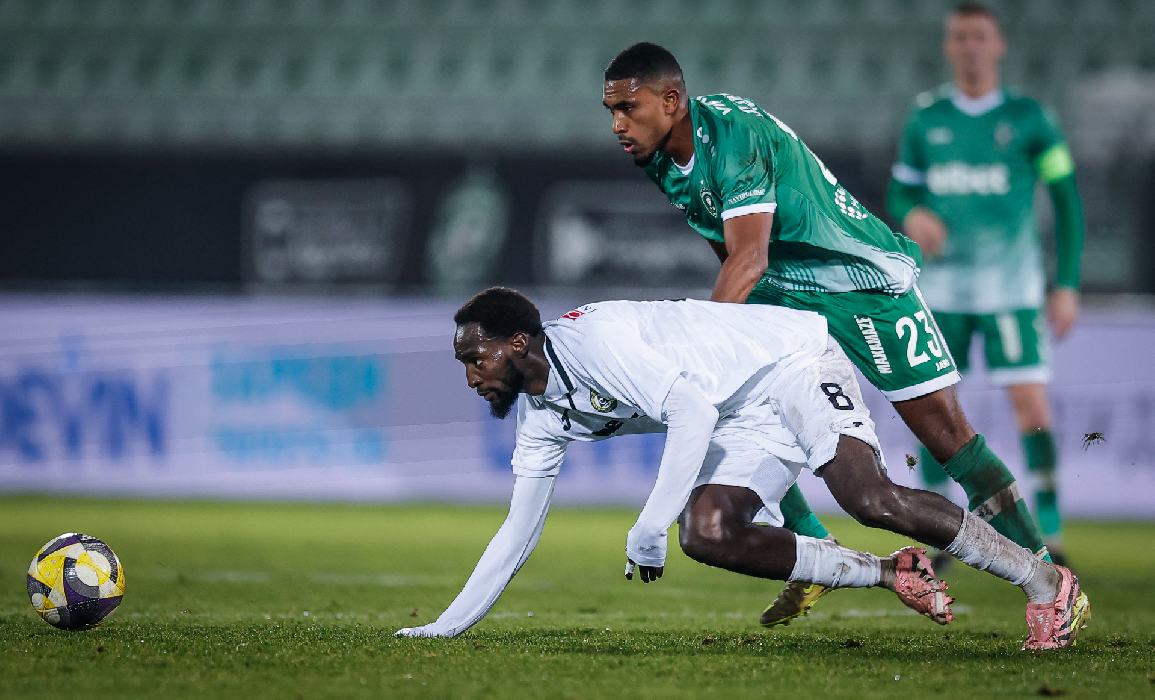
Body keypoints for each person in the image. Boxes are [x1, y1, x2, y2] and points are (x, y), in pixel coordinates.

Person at [601, 41, 1055, 627]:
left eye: (628, 108)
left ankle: (1048, 576)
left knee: (949, 441)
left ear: (671, 100)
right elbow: (726, 246)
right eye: (611, 111)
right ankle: (816, 550)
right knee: (740, 406)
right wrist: (735, 336)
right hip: (781, 292)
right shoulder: (660, 157)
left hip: (860, 283)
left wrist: (709, 344)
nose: (617, 125)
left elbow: (749, 256)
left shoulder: (735, 137)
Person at [394, 287, 1089, 651]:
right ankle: (888, 572)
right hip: (737, 411)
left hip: (789, 364)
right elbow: (516, 530)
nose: (471, 376)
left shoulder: (593, 342)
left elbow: (689, 413)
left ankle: (1045, 582)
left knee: (868, 497)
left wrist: (647, 524)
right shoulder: (542, 416)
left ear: (519, 343)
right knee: (707, 534)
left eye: (475, 358)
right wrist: (444, 628)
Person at [887, 2, 1084, 567]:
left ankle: (1050, 533)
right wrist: (913, 213)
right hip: (942, 293)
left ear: (998, 46)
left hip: (1011, 292)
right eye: (960, 37)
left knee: (1031, 405)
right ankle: (940, 530)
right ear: (949, 47)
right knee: (932, 407)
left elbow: (1067, 200)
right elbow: (900, 191)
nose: (970, 46)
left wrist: (1066, 283)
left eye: (979, 36)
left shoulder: (1030, 117)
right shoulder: (926, 117)